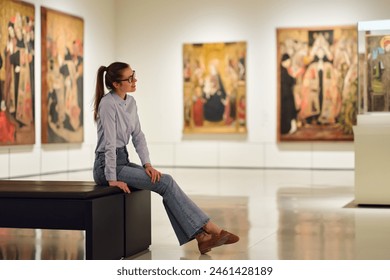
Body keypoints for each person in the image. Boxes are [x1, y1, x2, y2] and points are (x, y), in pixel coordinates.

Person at [92, 62, 239, 254]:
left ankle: (203, 237)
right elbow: (110, 144)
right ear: (117, 84)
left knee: (163, 182)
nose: (135, 80)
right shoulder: (107, 104)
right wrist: (112, 179)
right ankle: (210, 229)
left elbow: (138, 135)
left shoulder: (131, 102)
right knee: (166, 182)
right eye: (129, 78)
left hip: (122, 160)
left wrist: (147, 164)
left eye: (133, 75)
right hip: (106, 166)